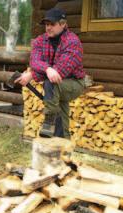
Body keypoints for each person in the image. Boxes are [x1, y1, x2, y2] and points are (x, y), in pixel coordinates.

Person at [15, 7, 85, 138]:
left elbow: (60, 71)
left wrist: (32, 75)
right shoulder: (40, 41)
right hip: (56, 84)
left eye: (52, 24)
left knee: (51, 83)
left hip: (74, 83)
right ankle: (63, 143)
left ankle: (49, 120)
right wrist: (47, 69)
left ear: (63, 24)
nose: (48, 28)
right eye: (46, 24)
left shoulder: (73, 42)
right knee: (61, 115)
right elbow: (34, 61)